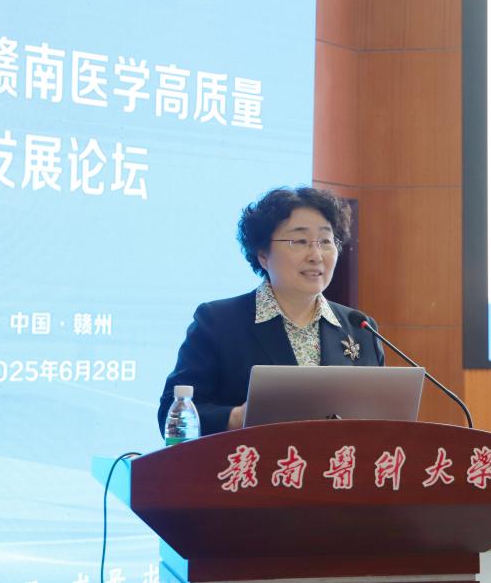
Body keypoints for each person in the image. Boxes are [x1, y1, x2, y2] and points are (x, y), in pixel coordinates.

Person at [157, 186, 384, 437]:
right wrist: (237, 418)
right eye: (299, 241)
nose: (316, 255)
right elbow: (171, 412)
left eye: (325, 241)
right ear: (263, 255)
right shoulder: (218, 322)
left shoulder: (360, 328)